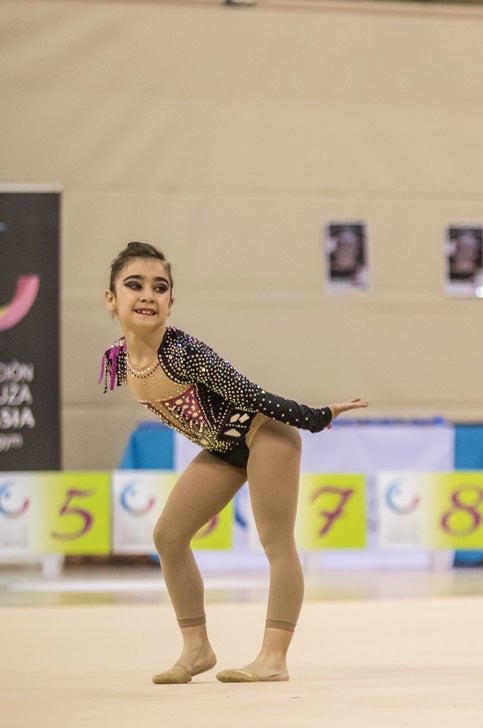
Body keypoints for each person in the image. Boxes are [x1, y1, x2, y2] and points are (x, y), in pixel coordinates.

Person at [101, 242, 367, 684]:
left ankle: (274, 658)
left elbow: (253, 396)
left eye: (160, 287)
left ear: (171, 302)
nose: (148, 295)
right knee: (168, 537)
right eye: (134, 285)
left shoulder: (184, 352)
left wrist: (317, 417)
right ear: (111, 298)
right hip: (225, 449)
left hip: (265, 436)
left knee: (275, 542)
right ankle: (197, 648)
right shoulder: (118, 359)